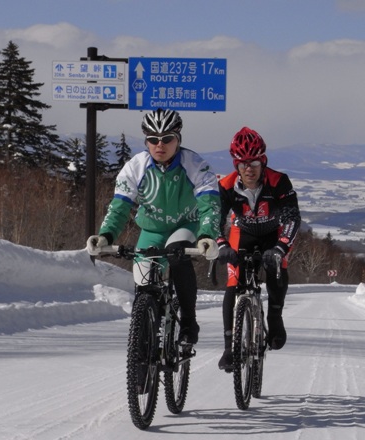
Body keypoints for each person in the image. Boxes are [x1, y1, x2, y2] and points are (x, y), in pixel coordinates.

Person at [86, 108, 220, 344]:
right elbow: (119, 207)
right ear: (146, 141)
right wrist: (105, 236)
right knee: (144, 288)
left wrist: (207, 235)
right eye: (153, 139)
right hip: (152, 230)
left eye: (167, 138)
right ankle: (146, 344)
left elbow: (209, 203)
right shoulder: (134, 167)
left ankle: (188, 321)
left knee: (178, 253)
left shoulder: (195, 164)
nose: (160, 145)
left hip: (185, 225)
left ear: (178, 138)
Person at [216, 127, 301, 371]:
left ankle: (275, 317)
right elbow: (212, 219)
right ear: (236, 165)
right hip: (242, 233)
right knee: (233, 283)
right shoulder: (226, 185)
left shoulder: (278, 181)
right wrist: (221, 245)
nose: (249, 169)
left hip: (272, 234)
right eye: (242, 164)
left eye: (254, 162)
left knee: (277, 267)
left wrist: (281, 247)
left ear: (263, 160)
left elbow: (292, 218)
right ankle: (229, 347)